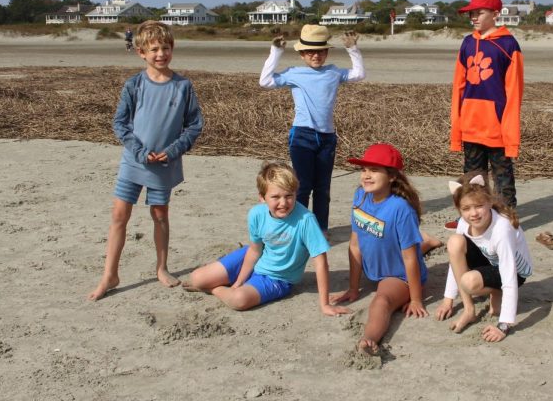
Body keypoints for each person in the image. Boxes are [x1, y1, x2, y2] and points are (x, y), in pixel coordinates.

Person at [88, 21, 204, 301]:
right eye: (154, 49)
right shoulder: (134, 84)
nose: (161, 53)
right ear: (141, 52)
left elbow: (194, 125)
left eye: (165, 48)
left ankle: (161, 267)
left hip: (164, 164)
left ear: (172, 49)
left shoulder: (183, 86)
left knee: (160, 214)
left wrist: (175, 149)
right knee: (119, 216)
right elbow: (120, 124)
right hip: (134, 161)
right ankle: (110, 274)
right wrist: (139, 151)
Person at [184, 162, 349, 316]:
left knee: (238, 300)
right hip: (253, 257)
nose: (283, 202)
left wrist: (325, 304)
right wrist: (239, 282)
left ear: (296, 193)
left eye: (289, 196)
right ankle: (229, 283)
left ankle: (216, 289)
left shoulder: (306, 220)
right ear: (262, 197)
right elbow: (254, 250)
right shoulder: (256, 214)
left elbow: (320, 263)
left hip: (279, 278)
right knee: (197, 279)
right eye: (275, 197)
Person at [259, 24, 364, 232]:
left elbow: (359, 74)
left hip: (327, 138)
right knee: (302, 186)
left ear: (326, 52)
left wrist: (353, 49)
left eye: (320, 51)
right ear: (301, 54)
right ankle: (299, 228)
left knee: (323, 188)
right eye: (310, 51)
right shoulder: (294, 73)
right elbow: (265, 81)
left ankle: (320, 229)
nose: (315, 55)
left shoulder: (333, 72)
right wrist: (276, 51)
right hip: (302, 136)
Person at [330, 143, 430, 355]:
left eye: (375, 170)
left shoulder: (401, 209)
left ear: (392, 176)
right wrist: (353, 287)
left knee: (382, 300)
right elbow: (355, 244)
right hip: (374, 267)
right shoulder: (361, 196)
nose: (366, 175)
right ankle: (427, 242)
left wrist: (415, 299)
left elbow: (410, 259)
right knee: (404, 245)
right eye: (364, 169)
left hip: (397, 275)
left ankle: (369, 340)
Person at [435, 172, 533, 342]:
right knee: (455, 242)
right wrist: (448, 299)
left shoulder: (502, 229)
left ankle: (496, 290)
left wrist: (504, 325)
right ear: (459, 209)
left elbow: (509, 275)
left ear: (489, 202)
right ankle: (469, 310)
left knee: (468, 282)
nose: (473, 213)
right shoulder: (464, 222)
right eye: (466, 208)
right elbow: (455, 260)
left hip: (515, 272)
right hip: (489, 258)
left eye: (479, 205)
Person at [450, 0, 524, 210]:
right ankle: (471, 218)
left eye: (479, 12)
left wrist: (510, 134)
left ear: (495, 14)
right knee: (472, 177)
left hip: (497, 126)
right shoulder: (467, 43)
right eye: (471, 13)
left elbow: (514, 92)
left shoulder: (509, 45)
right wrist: (458, 126)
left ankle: (507, 220)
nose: (474, 17)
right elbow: (458, 87)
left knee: (503, 178)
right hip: (471, 123)